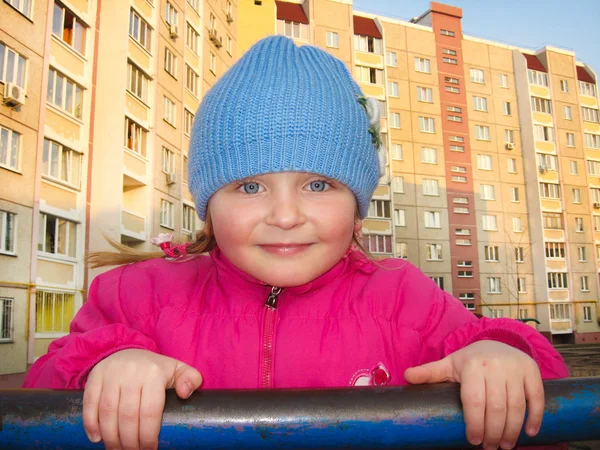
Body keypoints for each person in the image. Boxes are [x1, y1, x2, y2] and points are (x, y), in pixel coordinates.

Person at [23, 36, 569, 450]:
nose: (285, 216)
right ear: (207, 203)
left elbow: (548, 389)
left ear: (358, 207)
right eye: (250, 186)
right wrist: (103, 368)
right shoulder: (136, 298)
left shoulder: (404, 299)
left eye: (318, 184)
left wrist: (503, 355)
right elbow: (33, 402)